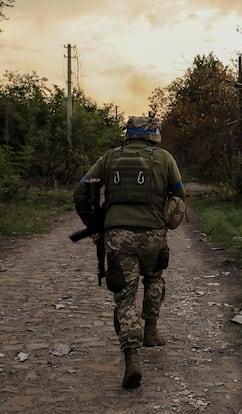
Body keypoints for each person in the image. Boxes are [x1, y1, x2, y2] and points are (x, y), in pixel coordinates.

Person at [73, 114, 186, 389]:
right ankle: (151, 331)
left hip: (117, 235)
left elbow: (80, 192)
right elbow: (179, 195)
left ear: (129, 134)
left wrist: (94, 226)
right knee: (154, 278)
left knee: (124, 296)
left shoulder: (109, 158)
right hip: (153, 235)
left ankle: (132, 358)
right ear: (153, 134)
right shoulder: (165, 158)